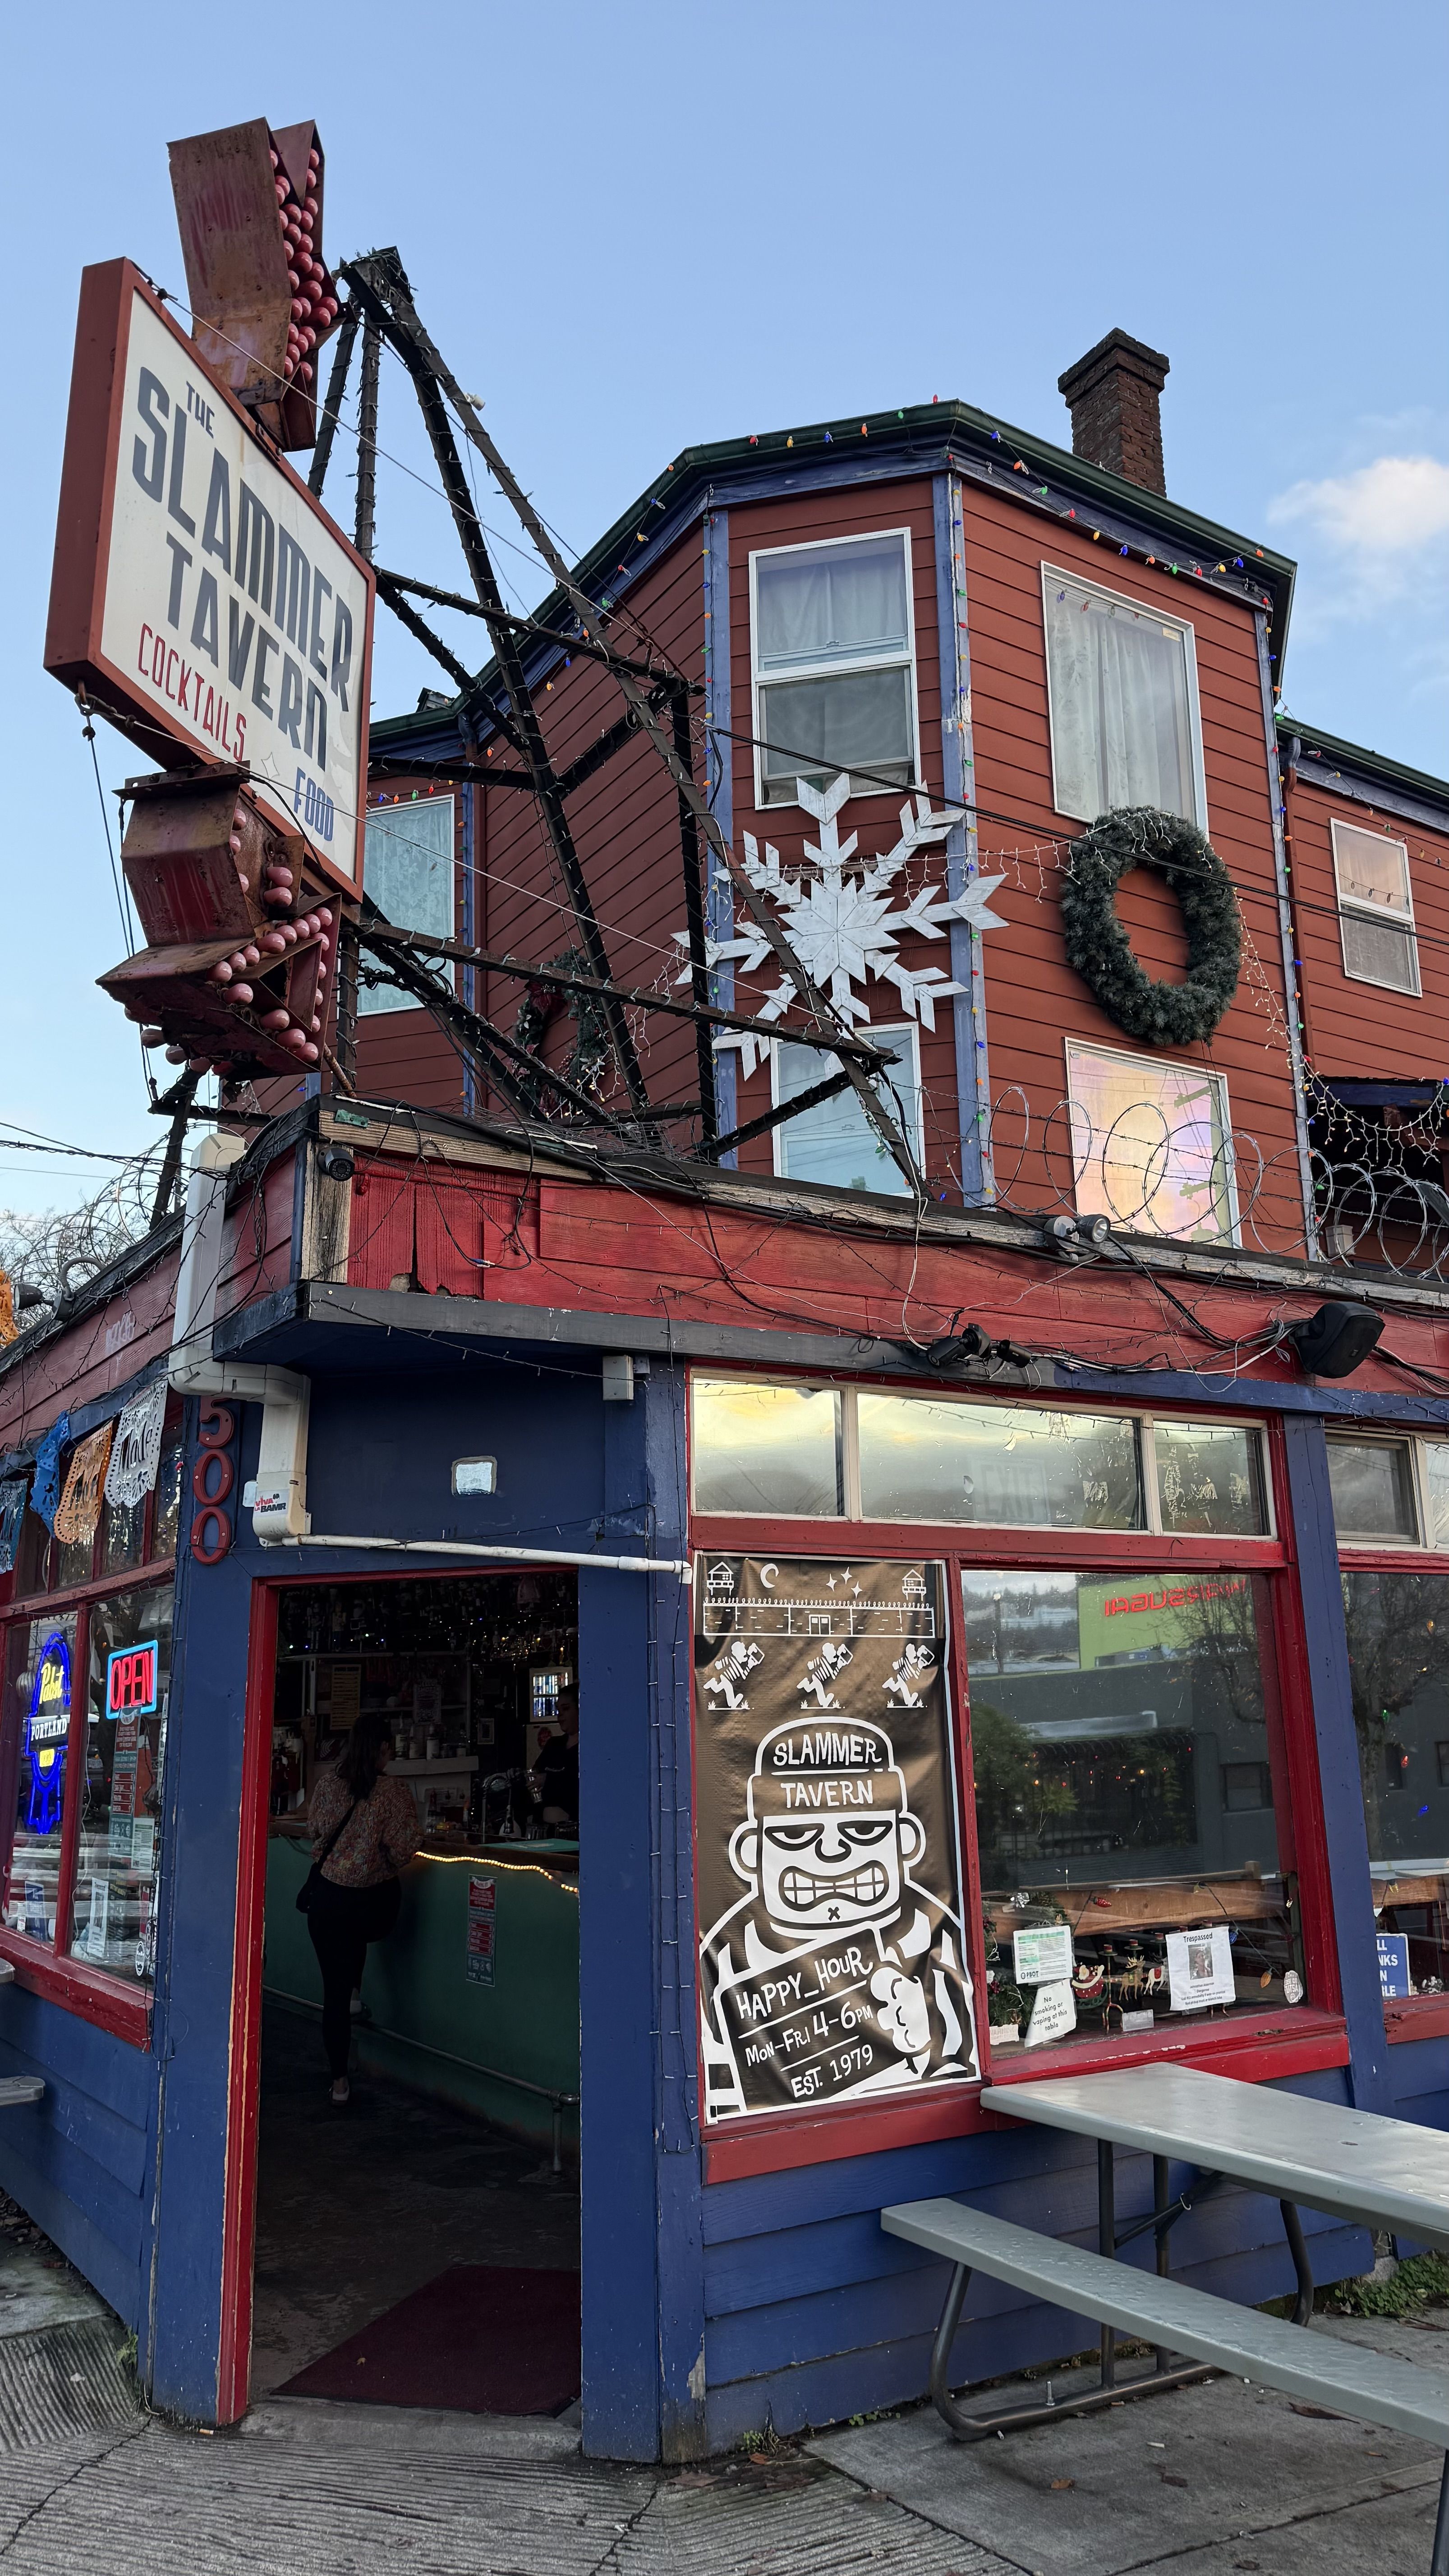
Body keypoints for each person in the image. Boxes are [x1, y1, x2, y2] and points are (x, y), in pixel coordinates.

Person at [305, 1710, 418, 2105]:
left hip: (327, 1902)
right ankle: (355, 1989)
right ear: (383, 1748)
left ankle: (339, 2084)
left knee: (331, 1996)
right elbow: (404, 1850)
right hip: (371, 1908)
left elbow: (314, 1830)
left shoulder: (326, 1786)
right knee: (358, 1939)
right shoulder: (394, 1793)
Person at [534, 1686, 579, 1831]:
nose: (560, 1716)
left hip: (575, 1834)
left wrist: (549, 1779)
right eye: (558, 1710)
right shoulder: (554, 1744)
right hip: (545, 1831)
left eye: (566, 1709)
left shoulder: (592, 1748)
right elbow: (534, 1775)